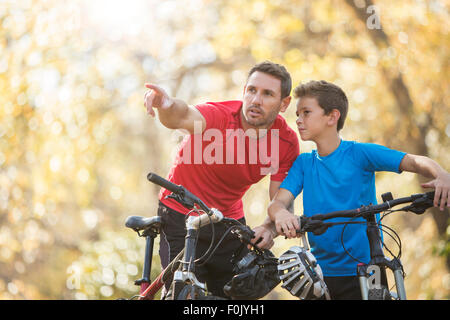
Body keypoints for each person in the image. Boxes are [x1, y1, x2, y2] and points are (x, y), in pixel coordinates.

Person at [268, 80, 450, 300]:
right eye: (297, 114)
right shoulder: (304, 163)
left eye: (306, 112)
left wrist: (442, 175)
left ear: (332, 117)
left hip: (368, 268)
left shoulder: (359, 154)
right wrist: (282, 214)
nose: (298, 120)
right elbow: (277, 202)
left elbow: (412, 161)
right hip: (320, 275)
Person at [143, 61, 299, 298]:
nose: (256, 100)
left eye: (268, 94)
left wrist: (269, 227)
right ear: (244, 91)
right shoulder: (221, 116)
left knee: (239, 290)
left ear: (284, 103)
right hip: (179, 213)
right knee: (183, 293)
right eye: (252, 90)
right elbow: (182, 115)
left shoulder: (285, 142)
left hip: (226, 218)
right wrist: (166, 104)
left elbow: (280, 200)